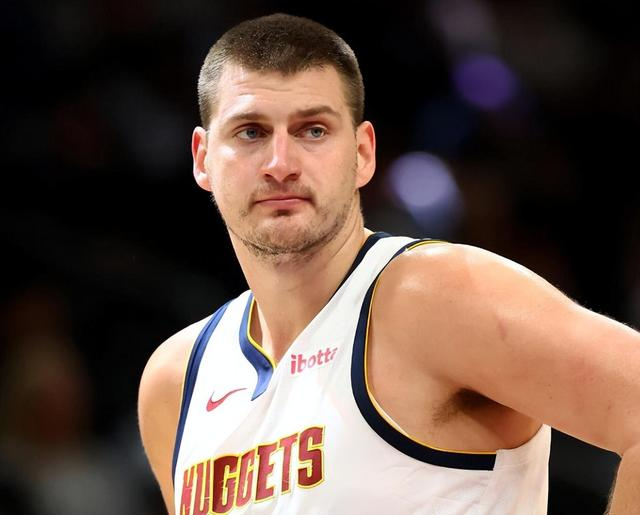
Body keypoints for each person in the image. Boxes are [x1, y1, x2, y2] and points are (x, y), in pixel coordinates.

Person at [137, 13, 640, 515]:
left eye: (313, 130)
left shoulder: (435, 296)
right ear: (203, 158)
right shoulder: (175, 382)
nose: (280, 164)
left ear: (362, 153)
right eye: (251, 132)